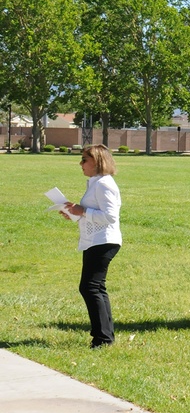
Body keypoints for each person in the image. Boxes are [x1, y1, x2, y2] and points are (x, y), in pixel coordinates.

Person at [62, 144, 123, 348]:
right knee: (95, 287)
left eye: (84, 159)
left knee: (89, 287)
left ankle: (103, 338)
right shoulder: (95, 183)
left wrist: (82, 211)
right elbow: (90, 212)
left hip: (104, 241)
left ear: (97, 162)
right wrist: (73, 212)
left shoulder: (104, 184)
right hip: (96, 240)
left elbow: (110, 217)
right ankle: (105, 336)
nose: (81, 164)